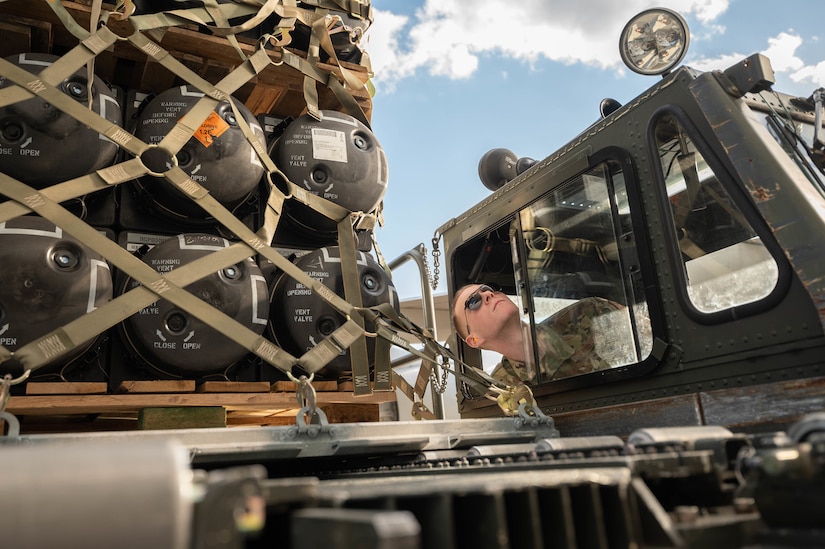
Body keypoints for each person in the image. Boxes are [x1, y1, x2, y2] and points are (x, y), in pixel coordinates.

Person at [452, 283, 620, 385]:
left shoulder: (590, 313)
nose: (488, 294)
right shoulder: (503, 390)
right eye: (474, 302)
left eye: (487, 289)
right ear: (474, 340)